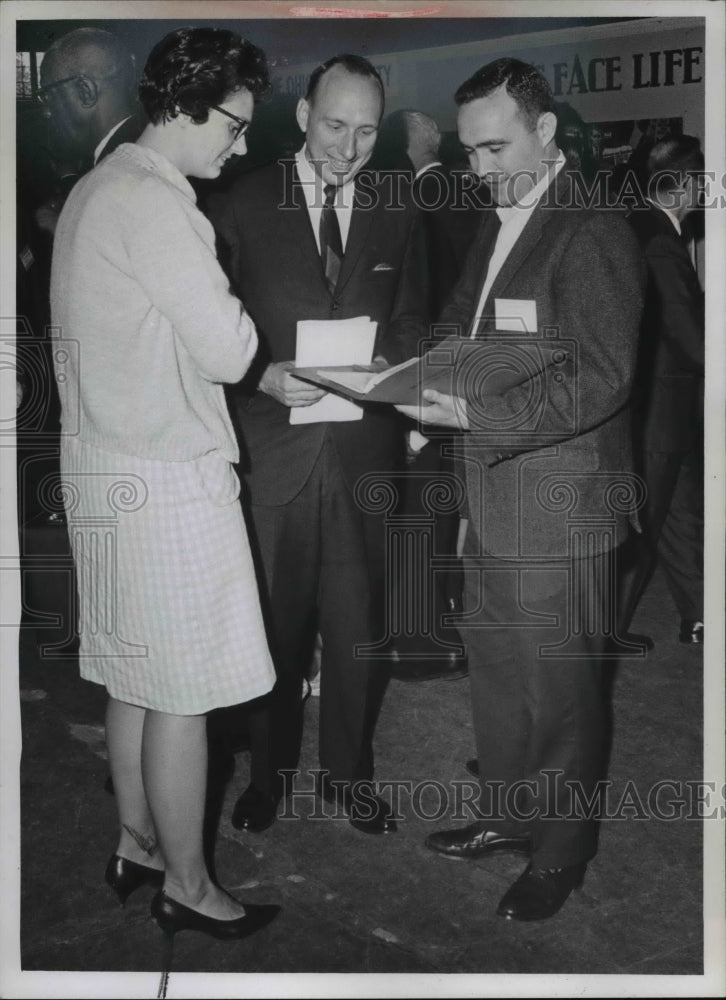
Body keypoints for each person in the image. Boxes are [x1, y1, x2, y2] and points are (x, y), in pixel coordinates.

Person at [397, 58, 644, 921]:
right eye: (468, 151)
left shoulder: (592, 228)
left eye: (494, 148)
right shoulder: (502, 216)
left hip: (561, 507)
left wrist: (471, 415)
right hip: (492, 495)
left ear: (546, 130)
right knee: (500, 674)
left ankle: (562, 852)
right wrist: (413, 382)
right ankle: (507, 816)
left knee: (563, 695)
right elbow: (463, 328)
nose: (479, 168)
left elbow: (601, 378)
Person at [50, 27, 280, 945]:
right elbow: (229, 348)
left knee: (130, 676)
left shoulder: (94, 190)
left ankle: (136, 844)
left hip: (101, 472)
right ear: (185, 105)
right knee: (184, 692)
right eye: (234, 123)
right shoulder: (158, 201)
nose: (241, 144)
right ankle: (188, 886)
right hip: (166, 484)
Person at [208, 54, 428, 837]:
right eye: (335, 125)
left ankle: (348, 775)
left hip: (363, 452)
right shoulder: (240, 201)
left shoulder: (397, 206)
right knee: (274, 627)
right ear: (303, 116)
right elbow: (206, 328)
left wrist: (390, 366)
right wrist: (260, 375)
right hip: (274, 455)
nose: (349, 148)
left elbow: (413, 316)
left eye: (366, 131)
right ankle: (267, 775)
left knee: (358, 627)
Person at [618, 136, 705, 645]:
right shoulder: (659, 241)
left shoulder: (644, 227)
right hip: (657, 416)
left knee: (681, 517)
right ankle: (603, 634)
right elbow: (692, 339)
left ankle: (701, 616)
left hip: (666, 413)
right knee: (643, 527)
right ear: (687, 184)